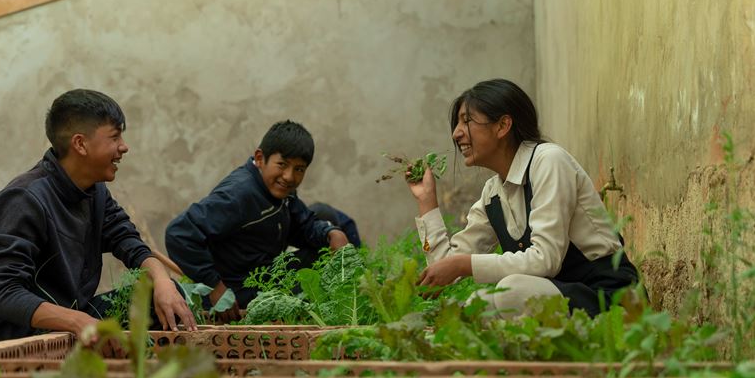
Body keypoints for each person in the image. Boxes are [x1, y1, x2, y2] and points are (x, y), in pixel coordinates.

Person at [0, 89, 196, 345]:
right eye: (114, 136)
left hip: (72, 320)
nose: (124, 147)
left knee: (165, 296)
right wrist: (80, 322)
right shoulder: (23, 199)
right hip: (19, 336)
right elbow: (6, 296)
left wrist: (163, 280)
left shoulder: (95, 191)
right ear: (80, 144)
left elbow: (129, 241)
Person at [407, 78, 639, 317]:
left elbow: (546, 260)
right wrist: (427, 201)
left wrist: (465, 265)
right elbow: (443, 269)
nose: (456, 133)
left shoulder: (549, 161)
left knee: (514, 291)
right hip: (560, 300)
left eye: (467, 121)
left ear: (503, 125)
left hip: (610, 299)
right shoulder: (493, 194)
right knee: (478, 305)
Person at [165, 120, 350, 321]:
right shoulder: (239, 194)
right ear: (260, 158)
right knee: (311, 282)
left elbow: (303, 225)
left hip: (264, 275)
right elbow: (179, 233)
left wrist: (330, 233)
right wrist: (215, 287)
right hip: (235, 292)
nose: (289, 176)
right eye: (282, 164)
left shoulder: (281, 192)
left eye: (299, 169)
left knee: (324, 248)